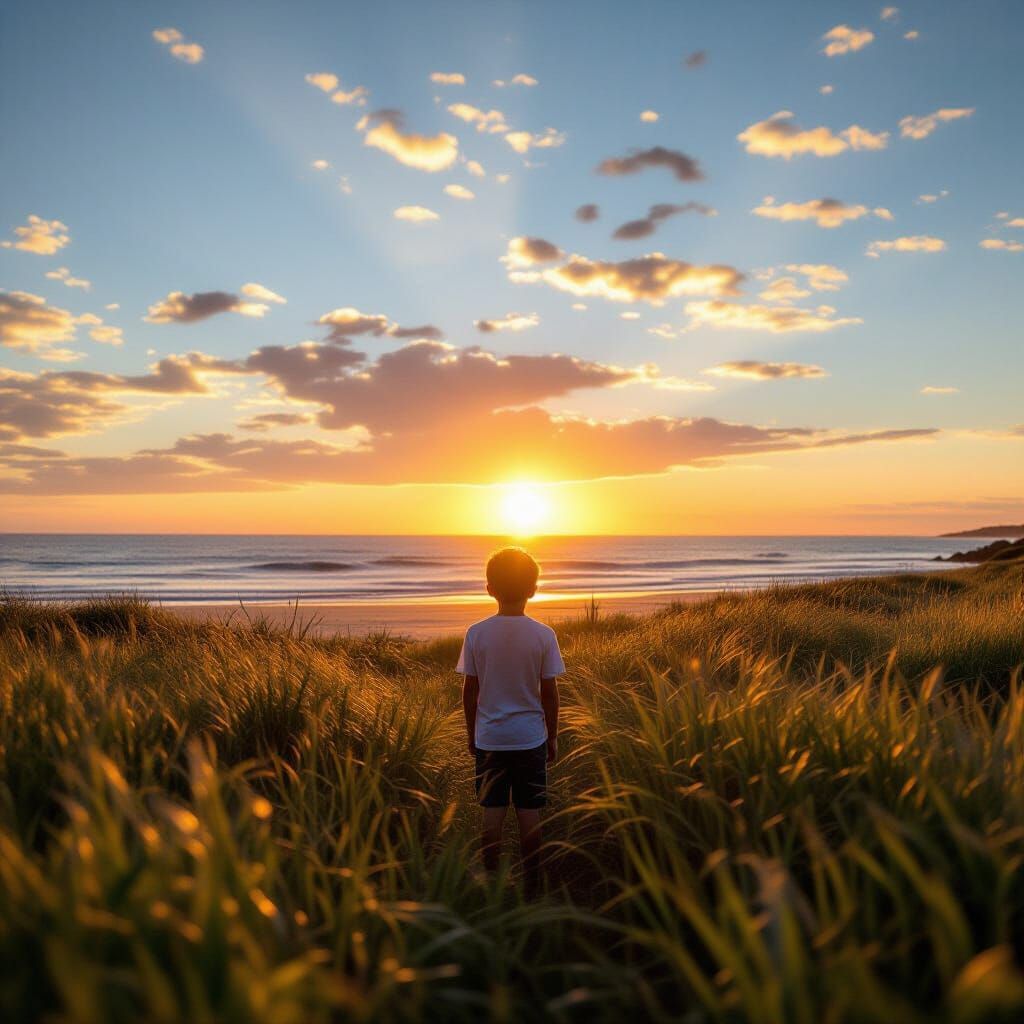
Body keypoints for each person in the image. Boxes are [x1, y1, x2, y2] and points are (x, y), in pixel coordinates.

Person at [456, 546, 564, 893]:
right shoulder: (544, 635)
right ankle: (533, 881)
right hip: (531, 737)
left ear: (489, 589)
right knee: (529, 812)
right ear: (534, 589)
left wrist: (472, 733)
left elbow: (469, 691)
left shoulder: (476, 633)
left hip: (490, 737)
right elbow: (549, 693)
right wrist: (553, 735)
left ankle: (491, 880)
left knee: (492, 811)